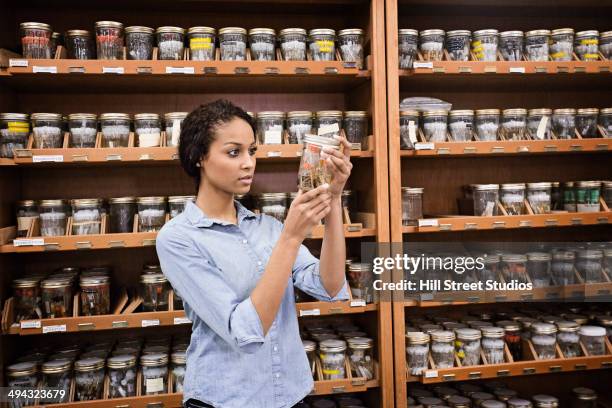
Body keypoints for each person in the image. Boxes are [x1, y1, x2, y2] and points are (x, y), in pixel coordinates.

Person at [156, 99, 354, 408]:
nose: (248, 162)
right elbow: (245, 331)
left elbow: (329, 285)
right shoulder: (178, 238)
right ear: (198, 157)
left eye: (252, 151)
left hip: (291, 396)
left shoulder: (268, 227)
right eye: (234, 152)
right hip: (227, 401)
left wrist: (334, 197)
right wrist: (291, 237)